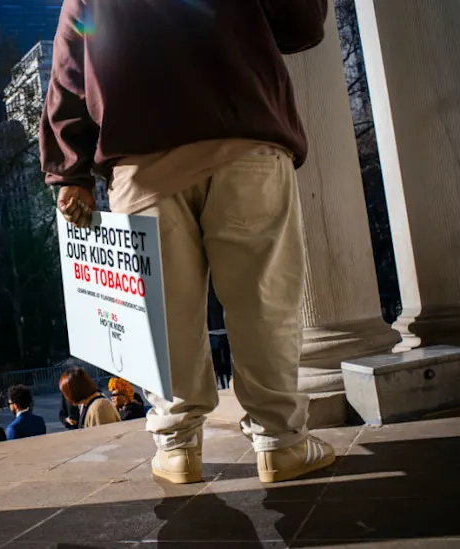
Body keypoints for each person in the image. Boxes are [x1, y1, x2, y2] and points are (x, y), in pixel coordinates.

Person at [41, 0, 336, 485]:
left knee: (163, 316)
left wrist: (70, 172)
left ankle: (176, 445)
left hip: (141, 158)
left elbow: (69, 71)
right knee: (264, 303)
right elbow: (301, 22)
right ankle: (280, 441)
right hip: (243, 135)